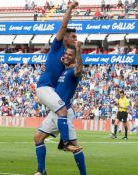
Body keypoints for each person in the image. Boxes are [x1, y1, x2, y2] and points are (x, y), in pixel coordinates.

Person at [34, 42, 86, 175]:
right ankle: (41, 171)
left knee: (74, 146)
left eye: (70, 55)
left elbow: (79, 69)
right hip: (55, 111)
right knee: (38, 138)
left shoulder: (74, 71)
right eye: (66, 54)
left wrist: (78, 51)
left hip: (65, 112)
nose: (67, 56)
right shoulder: (64, 69)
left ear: (75, 57)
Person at [36, 0, 79, 153]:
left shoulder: (68, 57)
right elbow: (63, 26)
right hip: (45, 87)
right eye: (72, 37)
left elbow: (72, 71)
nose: (74, 39)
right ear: (65, 37)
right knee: (63, 112)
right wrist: (70, 8)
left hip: (50, 89)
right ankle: (65, 142)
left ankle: (63, 142)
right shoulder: (57, 46)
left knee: (67, 111)